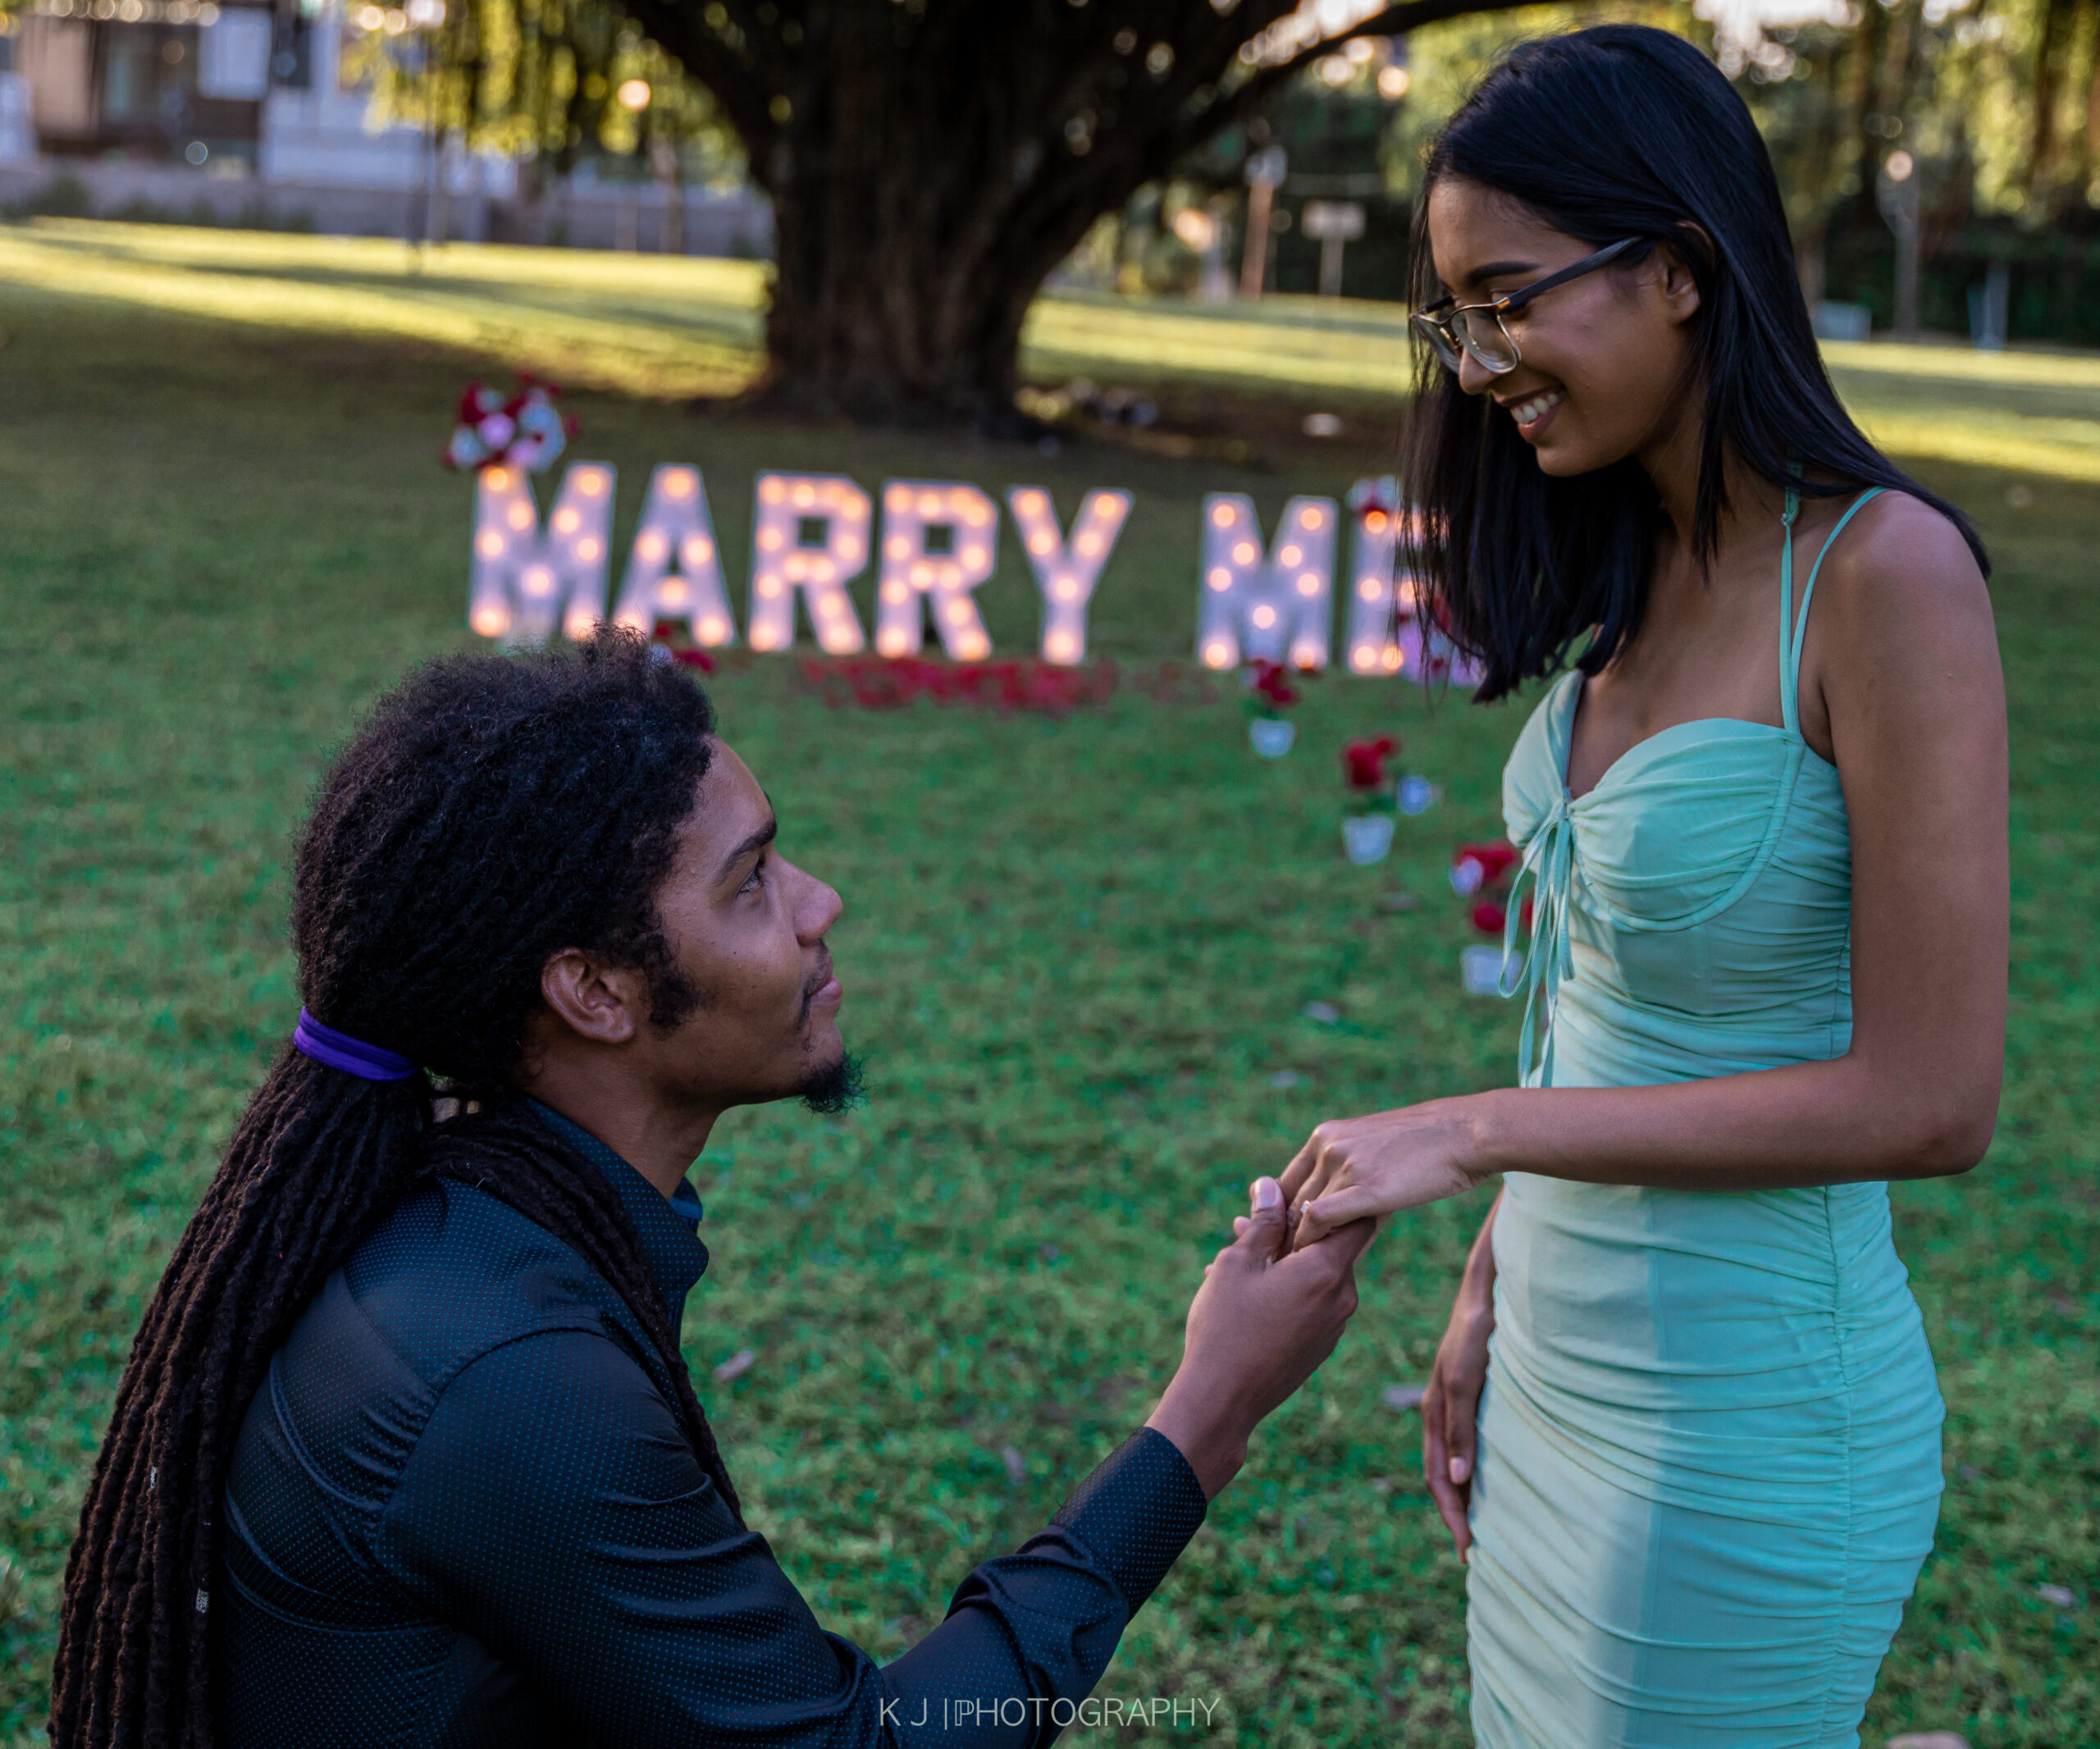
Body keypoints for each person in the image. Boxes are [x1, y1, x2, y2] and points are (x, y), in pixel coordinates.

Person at [51, 632, 1374, 1749]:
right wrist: (1211, 1409)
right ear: (596, 991)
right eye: (751, 885)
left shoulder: (481, 1232)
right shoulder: (508, 1376)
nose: (820, 903)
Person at [1276, 25, 2006, 1749]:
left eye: (1509, 298)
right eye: (1452, 315)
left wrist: (1468, 1139)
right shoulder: (1633, 564)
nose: (1475, 362)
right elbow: (1598, 1003)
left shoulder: (1880, 577)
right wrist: (1494, 1274)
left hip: (1746, 1420)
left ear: (1675, 269)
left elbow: (1930, 1100)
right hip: (1554, 1372)